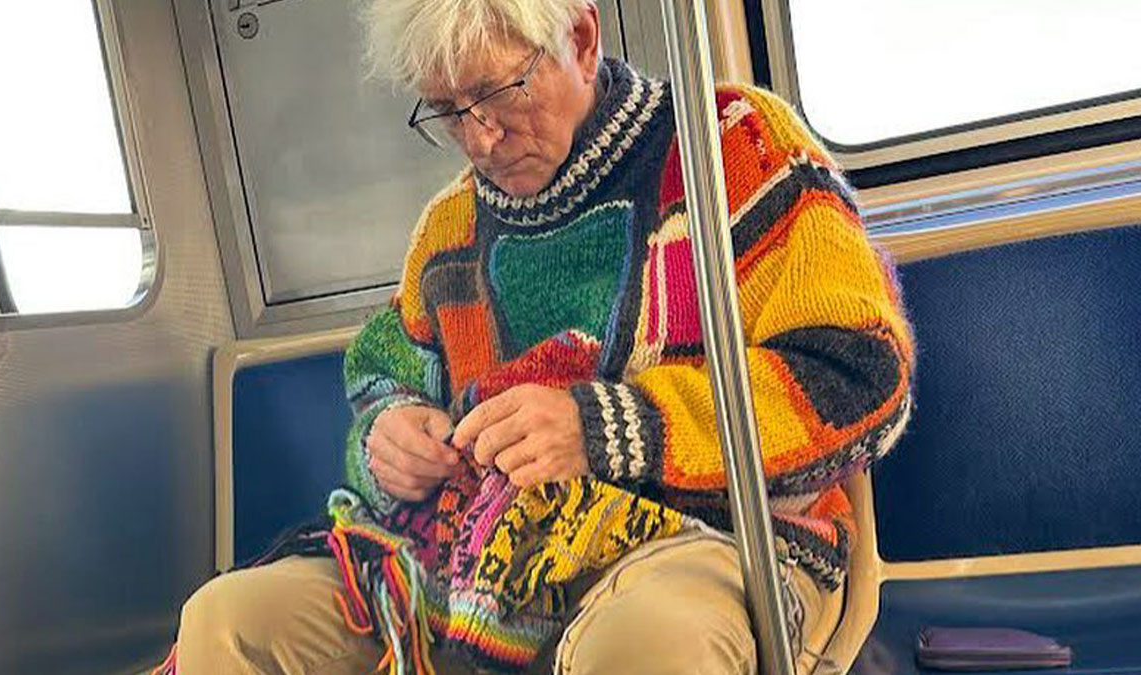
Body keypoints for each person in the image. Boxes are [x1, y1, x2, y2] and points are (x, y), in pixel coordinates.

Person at [169, 1, 914, 673]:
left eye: (497, 92)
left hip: (708, 537)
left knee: (643, 645)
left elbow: (862, 373)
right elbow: (383, 376)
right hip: (481, 560)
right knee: (227, 621)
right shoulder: (448, 229)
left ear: (581, 39)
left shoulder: (734, 148)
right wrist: (385, 441)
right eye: (448, 110)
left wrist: (604, 428)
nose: (480, 137)